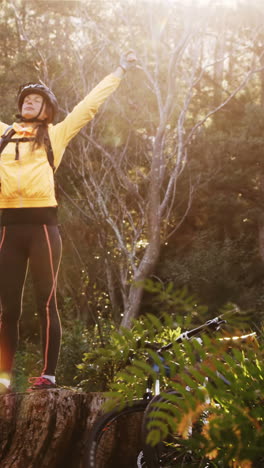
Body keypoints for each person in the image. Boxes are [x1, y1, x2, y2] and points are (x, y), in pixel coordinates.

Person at [0, 51, 137, 393]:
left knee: (46, 301)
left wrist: (119, 68)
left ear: (47, 109)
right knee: (7, 308)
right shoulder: (4, 135)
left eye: (37, 100)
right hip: (7, 228)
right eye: (26, 99)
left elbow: (88, 106)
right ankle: (3, 378)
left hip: (44, 227)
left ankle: (48, 375)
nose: (30, 103)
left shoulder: (55, 136)